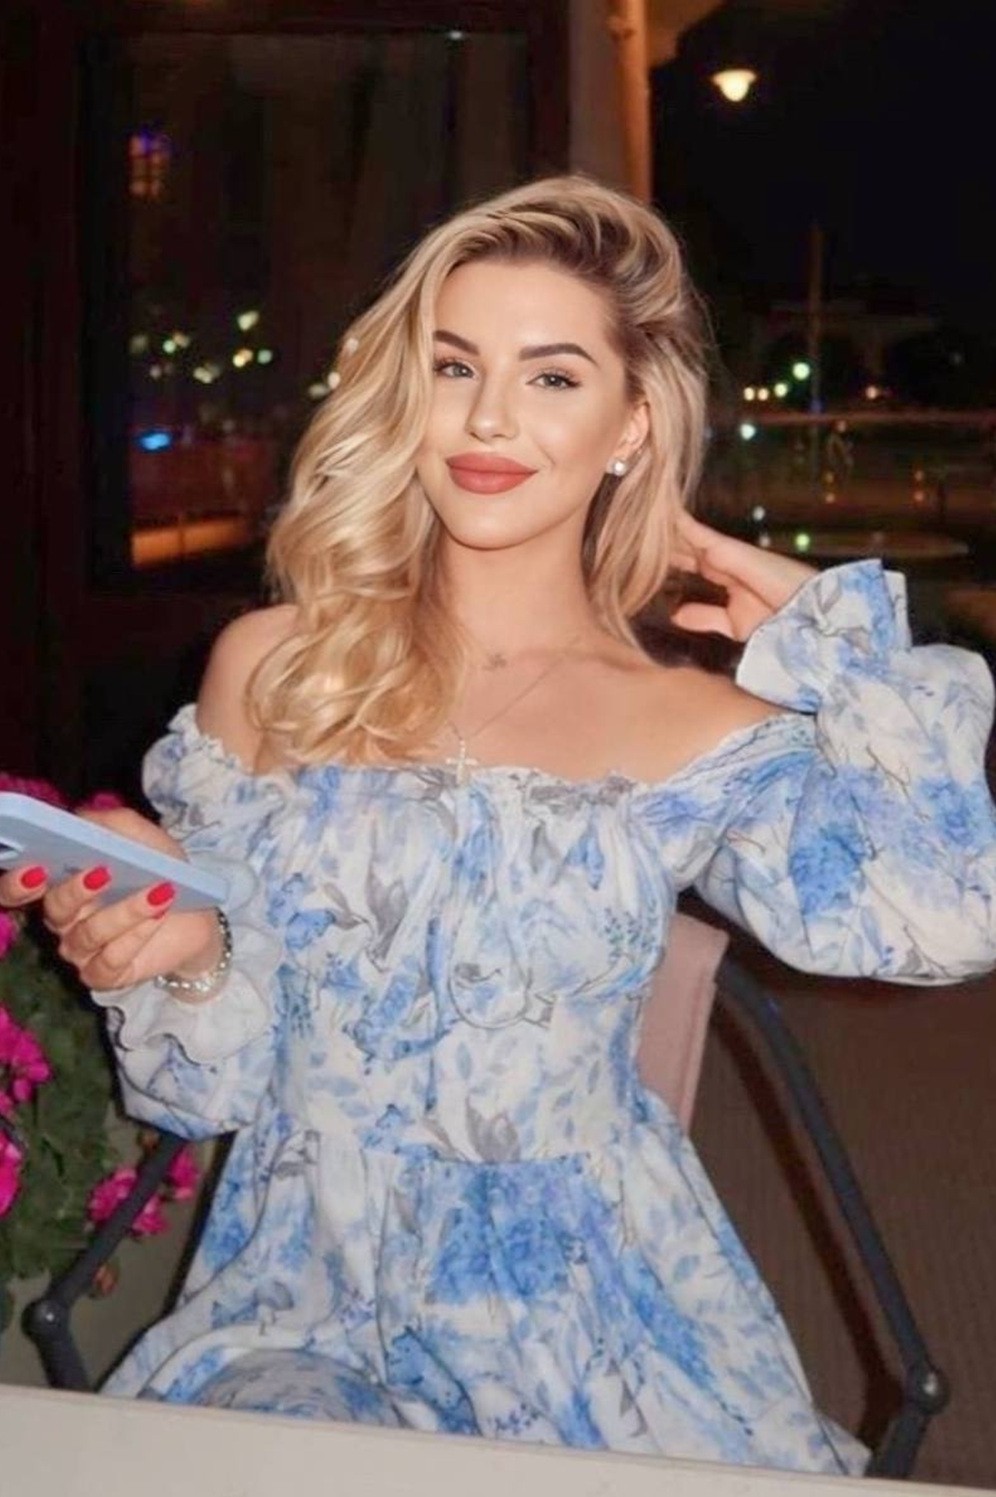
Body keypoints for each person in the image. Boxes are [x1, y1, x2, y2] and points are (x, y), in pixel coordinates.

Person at [4, 175, 996, 1472]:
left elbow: (943, 920)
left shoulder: (693, 723)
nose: (487, 417)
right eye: (454, 364)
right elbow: (204, 1088)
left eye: (553, 377)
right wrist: (181, 953)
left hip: (595, 1312)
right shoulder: (276, 667)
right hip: (309, 1305)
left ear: (632, 424)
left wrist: (841, 648)